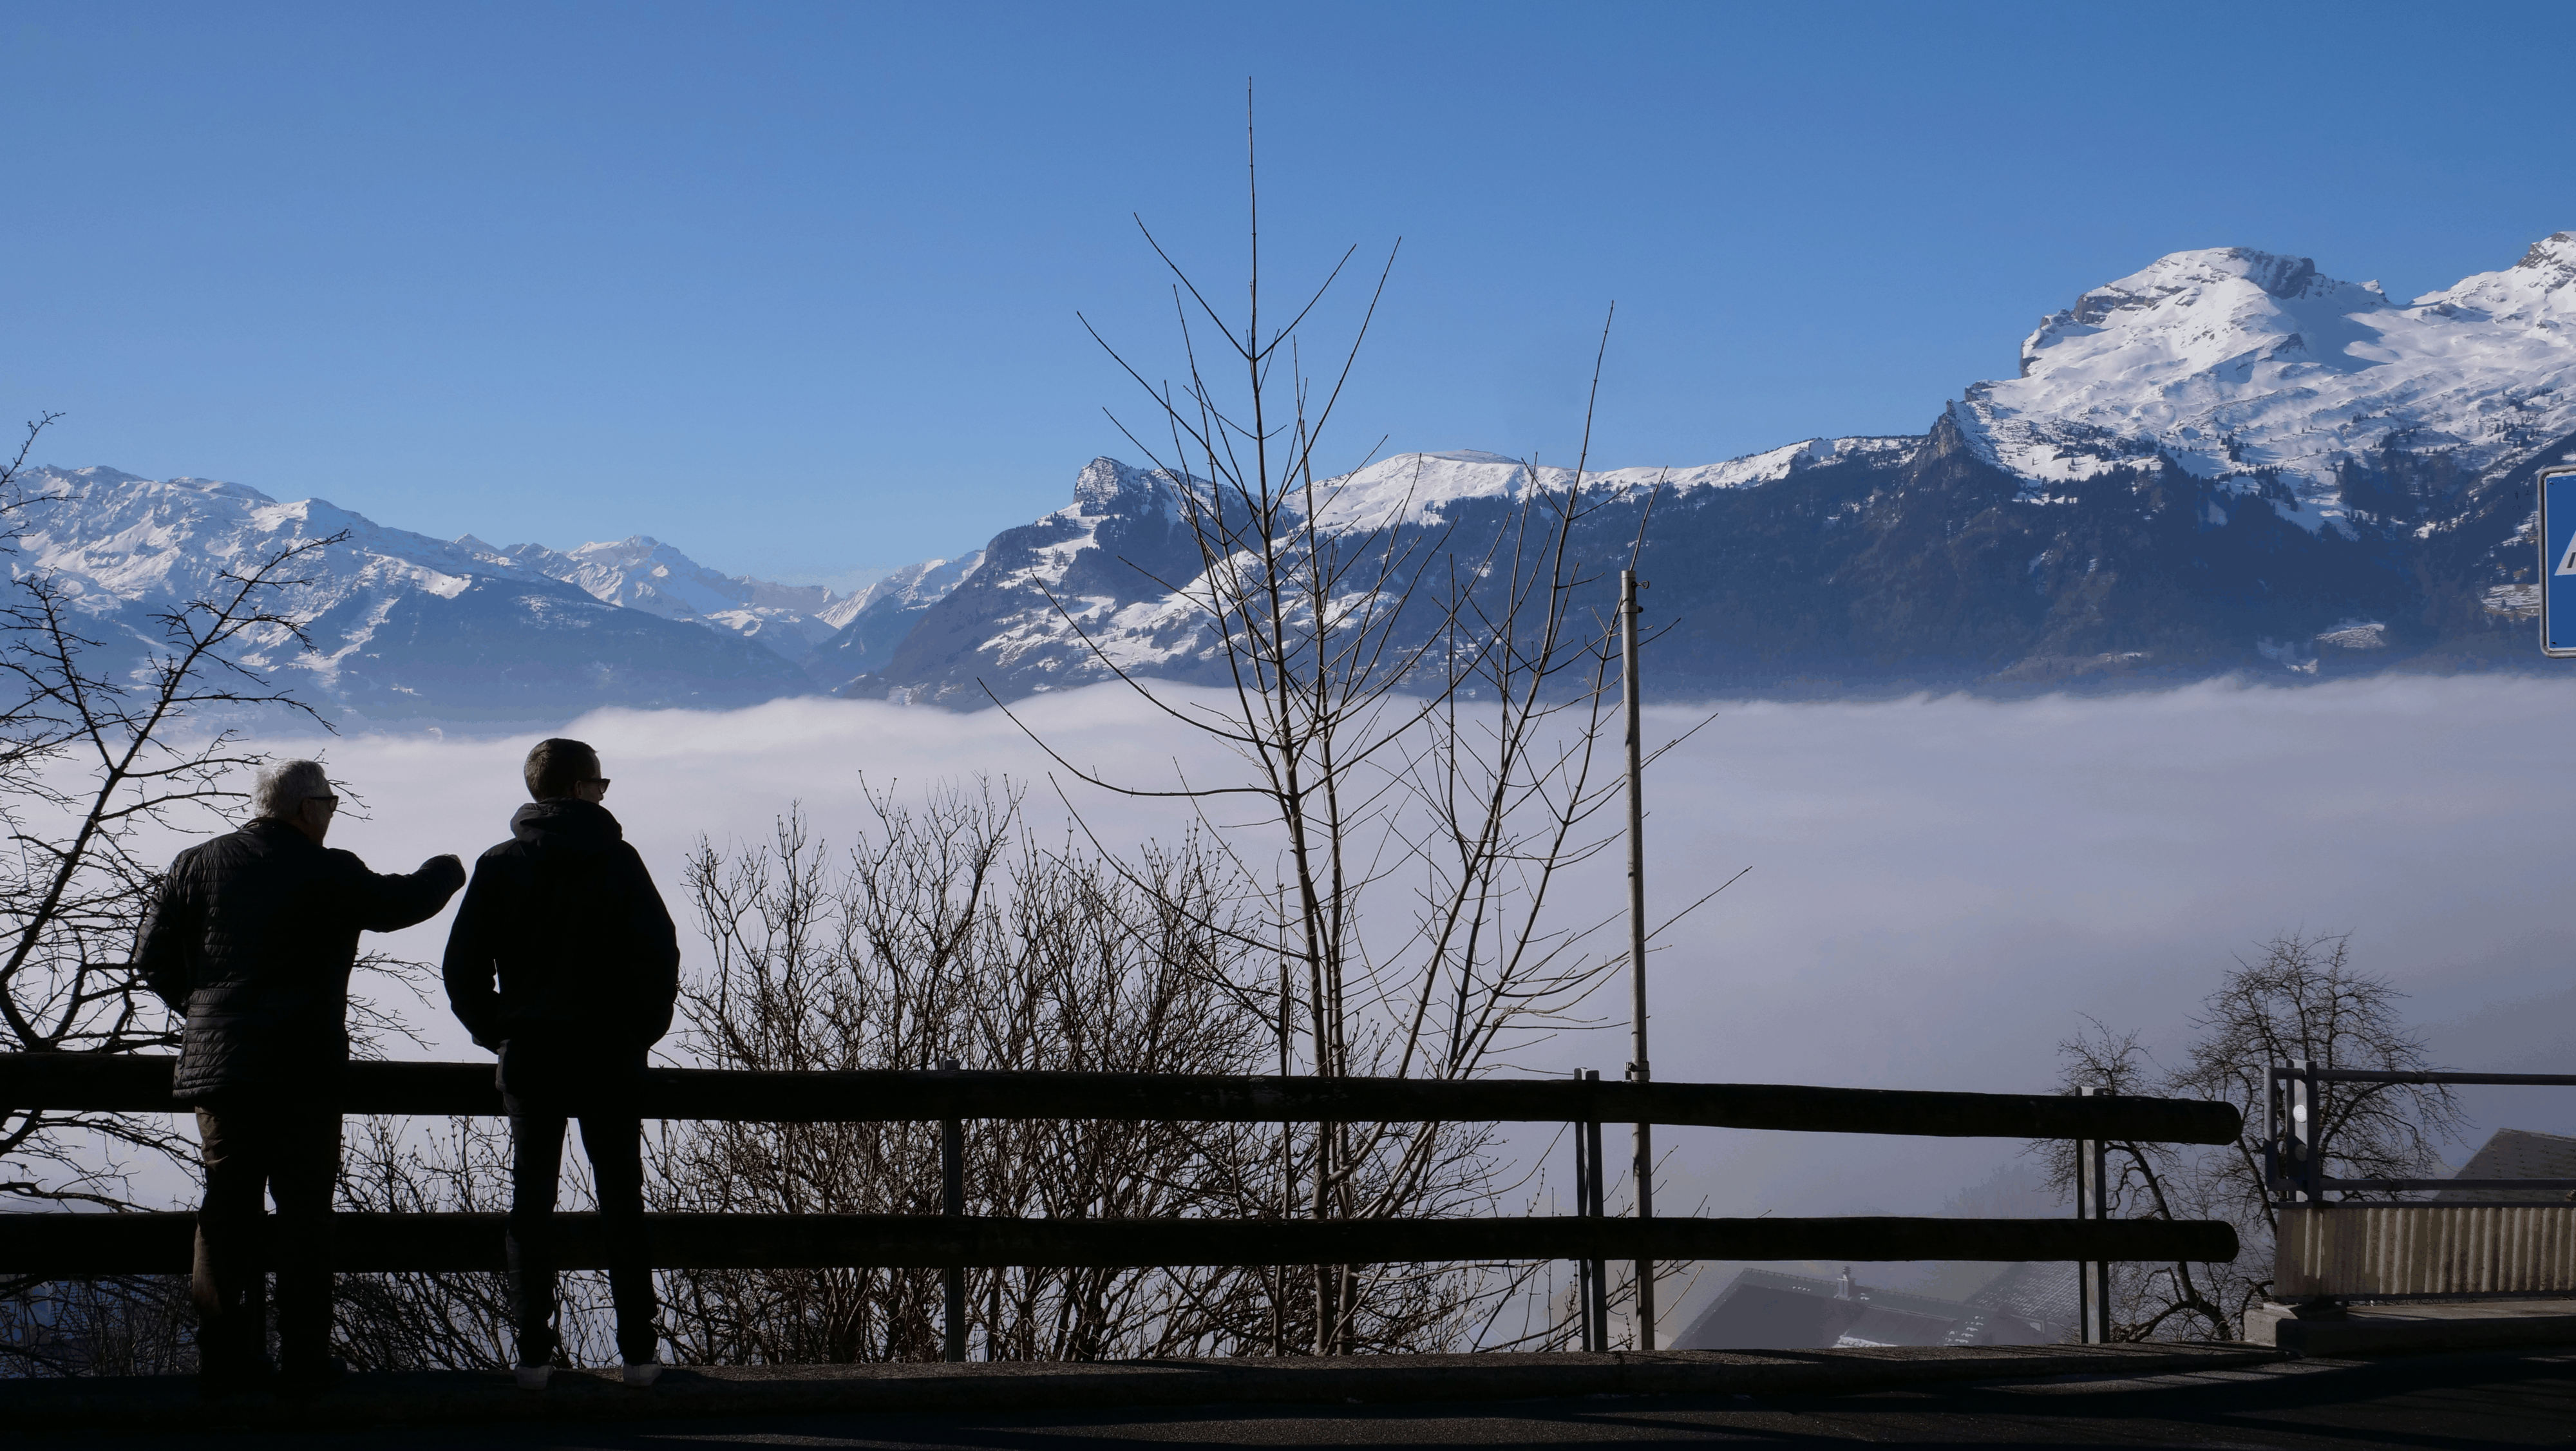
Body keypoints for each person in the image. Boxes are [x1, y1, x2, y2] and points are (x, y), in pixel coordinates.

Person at [137, 759, 466, 1394]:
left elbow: (151, 958)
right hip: (304, 1068)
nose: (335, 810)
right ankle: (305, 1361)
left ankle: (224, 1359)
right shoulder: (329, 870)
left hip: (223, 1070)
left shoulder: (194, 863)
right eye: (332, 800)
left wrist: (210, 1018)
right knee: (305, 1215)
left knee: (226, 1207)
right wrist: (447, 869)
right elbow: (401, 903)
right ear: (306, 808)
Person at [442, 737, 679, 1390]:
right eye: (600, 784)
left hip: (533, 1055)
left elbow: (462, 968)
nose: (605, 794)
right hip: (609, 1054)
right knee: (622, 1205)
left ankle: (531, 1360)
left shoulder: (500, 864)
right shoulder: (621, 862)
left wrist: (501, 1033)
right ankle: (638, 1356)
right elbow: (660, 957)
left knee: (530, 1206)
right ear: (578, 789)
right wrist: (639, 1034)